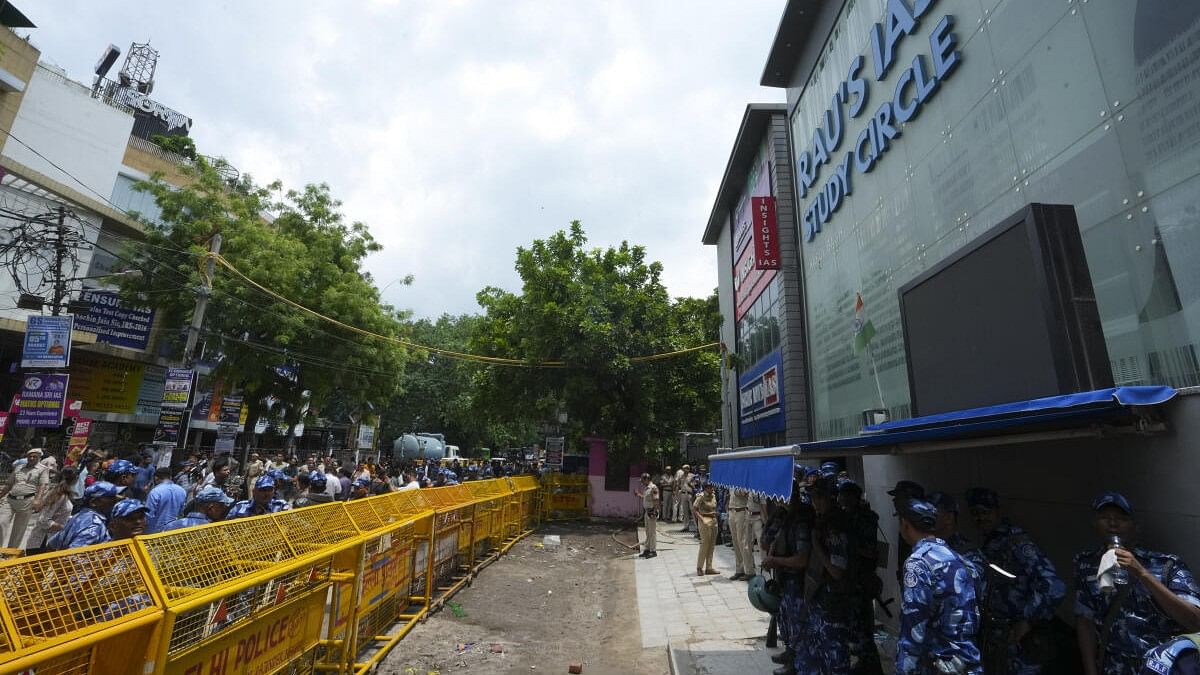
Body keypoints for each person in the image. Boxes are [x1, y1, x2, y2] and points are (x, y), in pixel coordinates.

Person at [1074, 492, 1200, 675]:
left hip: (1160, 667)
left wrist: (1141, 573)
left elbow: (1195, 621)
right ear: (1095, 524)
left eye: (1121, 518)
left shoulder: (1167, 564)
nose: (1112, 524)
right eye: (1104, 517)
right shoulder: (1086, 564)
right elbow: (1085, 621)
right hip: (1114, 668)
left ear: (1135, 526)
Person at [966, 487, 1066, 675]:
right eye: (975, 513)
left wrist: (1027, 621)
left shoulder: (1016, 542)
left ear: (997, 511)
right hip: (996, 641)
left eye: (986, 512)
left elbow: (1054, 586)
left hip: (1019, 644)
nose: (981, 518)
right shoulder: (989, 543)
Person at [895, 497, 983, 674]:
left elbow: (914, 628)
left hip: (940, 665)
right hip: (969, 663)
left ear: (905, 525)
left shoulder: (918, 563)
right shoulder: (960, 558)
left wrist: (904, 669)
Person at [762, 480, 814, 675]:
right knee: (786, 621)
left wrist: (777, 561)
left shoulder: (800, 519)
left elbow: (802, 559)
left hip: (798, 582)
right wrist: (773, 517)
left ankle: (797, 663)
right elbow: (766, 543)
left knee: (797, 625)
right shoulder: (785, 515)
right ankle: (790, 653)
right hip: (786, 580)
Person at [802, 476, 852, 674]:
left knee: (835, 656)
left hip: (833, 599)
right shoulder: (824, 521)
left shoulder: (835, 525)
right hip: (822, 597)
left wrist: (816, 545)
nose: (813, 502)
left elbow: (837, 571)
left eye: (815, 497)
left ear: (824, 498)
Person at [46, 481, 124, 549]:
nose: (116, 500)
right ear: (94, 502)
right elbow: (72, 559)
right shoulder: (94, 526)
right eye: (111, 497)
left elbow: (51, 545)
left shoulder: (79, 516)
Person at [0, 447, 51, 548]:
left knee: (18, 529)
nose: (31, 458)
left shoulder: (43, 469)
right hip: (10, 499)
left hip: (27, 501)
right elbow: (9, 484)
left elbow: (42, 486)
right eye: (30, 456)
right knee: (1, 522)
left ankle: (10, 553)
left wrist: (38, 500)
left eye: (34, 457)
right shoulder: (19, 467)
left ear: (39, 458)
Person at [27, 466, 78, 553]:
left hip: (49, 541)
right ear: (75, 479)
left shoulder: (62, 493)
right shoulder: (59, 494)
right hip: (42, 543)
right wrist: (64, 527)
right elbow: (43, 520)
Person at [162, 486, 234, 531]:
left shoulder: (171, 526)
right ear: (211, 508)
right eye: (222, 505)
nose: (225, 508)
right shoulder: (213, 530)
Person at [145, 467, 187, 534]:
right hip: (174, 531)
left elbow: (148, 514)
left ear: (156, 478)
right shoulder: (182, 490)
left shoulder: (155, 492)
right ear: (170, 477)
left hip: (155, 532)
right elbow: (181, 513)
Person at [727, 487, 755, 581]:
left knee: (743, 543)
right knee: (735, 543)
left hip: (741, 511)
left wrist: (738, 490)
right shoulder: (731, 482)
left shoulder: (743, 480)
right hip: (732, 511)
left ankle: (749, 571)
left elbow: (745, 494)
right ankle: (739, 570)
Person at [693, 481, 719, 575]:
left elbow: (714, 507)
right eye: (709, 487)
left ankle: (709, 567)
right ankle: (699, 567)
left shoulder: (713, 495)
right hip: (704, 521)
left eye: (712, 487)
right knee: (704, 544)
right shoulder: (701, 496)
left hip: (714, 521)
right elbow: (695, 509)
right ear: (705, 488)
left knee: (711, 545)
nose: (712, 489)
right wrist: (702, 518)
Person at [636, 472, 660, 559]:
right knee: (647, 532)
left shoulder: (653, 487)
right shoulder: (646, 488)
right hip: (647, 512)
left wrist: (654, 511)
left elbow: (656, 500)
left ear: (646, 479)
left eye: (642, 480)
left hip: (651, 512)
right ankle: (647, 549)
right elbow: (647, 499)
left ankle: (653, 551)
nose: (641, 482)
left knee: (652, 532)